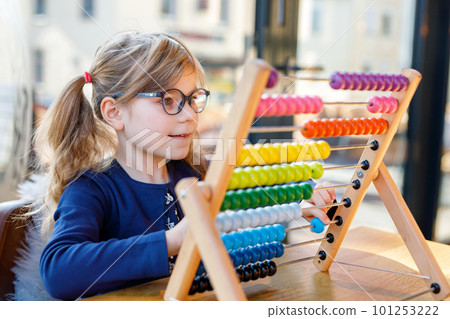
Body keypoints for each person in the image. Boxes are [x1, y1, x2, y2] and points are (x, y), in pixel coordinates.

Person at [33, 32, 334, 300]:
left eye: (193, 99)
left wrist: (295, 201)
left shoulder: (198, 173)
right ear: (115, 113)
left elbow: (249, 210)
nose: (189, 115)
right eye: (168, 99)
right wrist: (173, 240)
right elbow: (59, 271)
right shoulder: (91, 189)